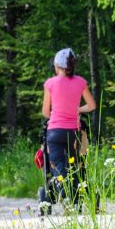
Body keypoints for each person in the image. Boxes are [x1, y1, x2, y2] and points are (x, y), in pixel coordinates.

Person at [42, 48, 97, 208]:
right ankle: (74, 196)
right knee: (74, 164)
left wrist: (55, 112)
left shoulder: (50, 83)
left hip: (55, 132)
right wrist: (77, 109)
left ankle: (64, 196)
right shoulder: (81, 82)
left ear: (57, 65)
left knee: (57, 165)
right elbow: (92, 105)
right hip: (73, 132)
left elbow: (46, 112)